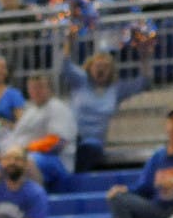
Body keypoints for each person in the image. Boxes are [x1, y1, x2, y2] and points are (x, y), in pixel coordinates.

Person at [62, 37, 152, 171]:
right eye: (98, 66)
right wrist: (69, 41)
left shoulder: (116, 90)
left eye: (105, 67)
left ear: (111, 71)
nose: (101, 70)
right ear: (90, 67)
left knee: (89, 148)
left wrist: (144, 58)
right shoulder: (81, 81)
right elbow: (65, 65)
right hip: (72, 136)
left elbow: (143, 82)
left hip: (93, 142)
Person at [0, 74, 77, 189]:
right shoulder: (29, 111)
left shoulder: (58, 108)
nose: (36, 91)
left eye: (40, 87)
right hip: (21, 154)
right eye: (32, 88)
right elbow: (15, 137)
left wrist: (25, 149)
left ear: (50, 89)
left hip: (56, 161)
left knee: (26, 162)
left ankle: (36, 198)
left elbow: (58, 141)